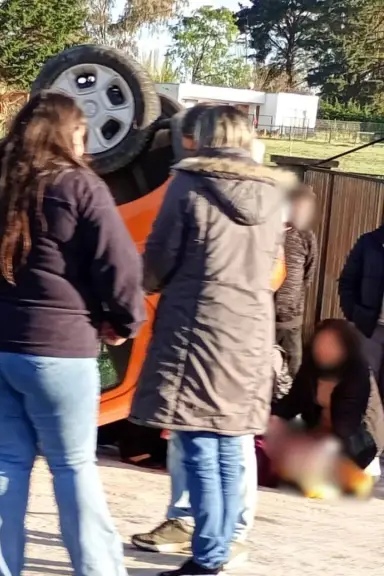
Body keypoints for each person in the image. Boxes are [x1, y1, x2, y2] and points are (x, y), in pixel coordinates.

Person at [0, 91, 146, 576]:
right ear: (70, 134)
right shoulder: (79, 186)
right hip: (57, 349)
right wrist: (123, 322)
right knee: (72, 467)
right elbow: (119, 265)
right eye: (82, 134)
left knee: (6, 461)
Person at [129, 105, 291, 576]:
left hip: (197, 330)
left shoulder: (190, 184)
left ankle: (207, 556)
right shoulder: (274, 193)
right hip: (250, 332)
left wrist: (129, 286)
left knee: (199, 443)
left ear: (198, 138)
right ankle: (217, 549)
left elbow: (159, 259)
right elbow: (269, 266)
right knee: (227, 442)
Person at [266, 319, 384, 499]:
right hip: (320, 435)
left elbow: (346, 427)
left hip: (360, 441)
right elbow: (292, 402)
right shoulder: (312, 366)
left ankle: (357, 473)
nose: (324, 351)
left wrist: (331, 401)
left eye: (332, 345)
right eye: (321, 344)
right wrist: (271, 418)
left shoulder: (357, 373)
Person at [275, 185, 319, 376]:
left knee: (294, 371)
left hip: (291, 321)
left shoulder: (305, 235)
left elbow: (309, 272)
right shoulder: (266, 231)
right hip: (262, 319)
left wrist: (293, 300)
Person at [339, 224, 384, 390]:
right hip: (370, 330)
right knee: (365, 390)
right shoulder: (369, 243)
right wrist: (355, 314)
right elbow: (347, 282)